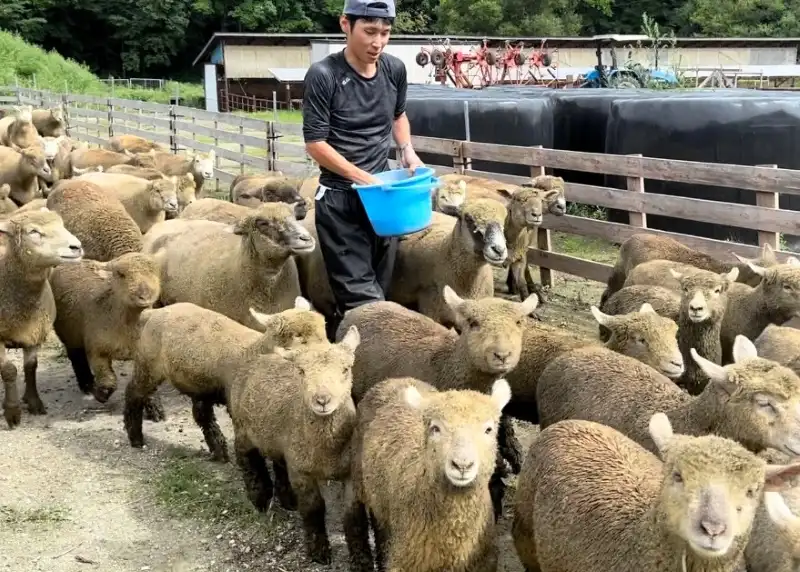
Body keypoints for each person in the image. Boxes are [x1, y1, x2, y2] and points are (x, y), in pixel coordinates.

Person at [302, 0, 424, 337]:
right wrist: (363, 178)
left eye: (385, 33)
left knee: (378, 293)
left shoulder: (394, 70)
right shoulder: (324, 75)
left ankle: (342, 346)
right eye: (369, 31)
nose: (378, 42)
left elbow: (398, 115)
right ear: (346, 24)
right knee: (366, 304)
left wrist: (407, 151)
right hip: (341, 202)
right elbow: (315, 143)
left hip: (383, 201)